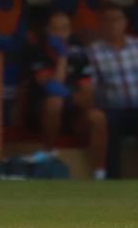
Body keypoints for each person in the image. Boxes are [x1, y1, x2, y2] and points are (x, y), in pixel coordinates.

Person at [26, 10, 106, 178]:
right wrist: (62, 57)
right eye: (55, 29)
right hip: (43, 114)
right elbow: (53, 88)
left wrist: (71, 96)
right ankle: (50, 155)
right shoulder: (37, 50)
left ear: (70, 31)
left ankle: (100, 174)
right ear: (48, 30)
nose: (60, 34)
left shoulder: (79, 53)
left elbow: (88, 94)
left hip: (73, 112)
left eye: (64, 29)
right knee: (55, 102)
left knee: (98, 117)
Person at [83, 3, 138, 179]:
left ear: (125, 22)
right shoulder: (93, 51)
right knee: (106, 128)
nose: (113, 24)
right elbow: (91, 85)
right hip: (112, 110)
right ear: (101, 24)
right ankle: (112, 181)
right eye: (108, 20)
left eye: (117, 19)